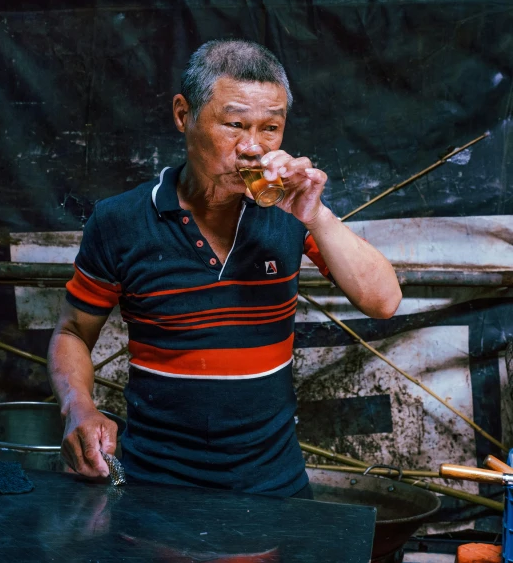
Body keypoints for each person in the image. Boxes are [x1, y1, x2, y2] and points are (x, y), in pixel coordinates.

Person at [47, 39, 402, 498]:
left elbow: (384, 301)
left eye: (270, 128)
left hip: (273, 484)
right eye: (234, 124)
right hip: (154, 483)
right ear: (183, 114)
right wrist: (78, 408)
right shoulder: (121, 221)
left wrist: (316, 214)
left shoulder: (291, 213)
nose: (252, 148)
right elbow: (73, 332)